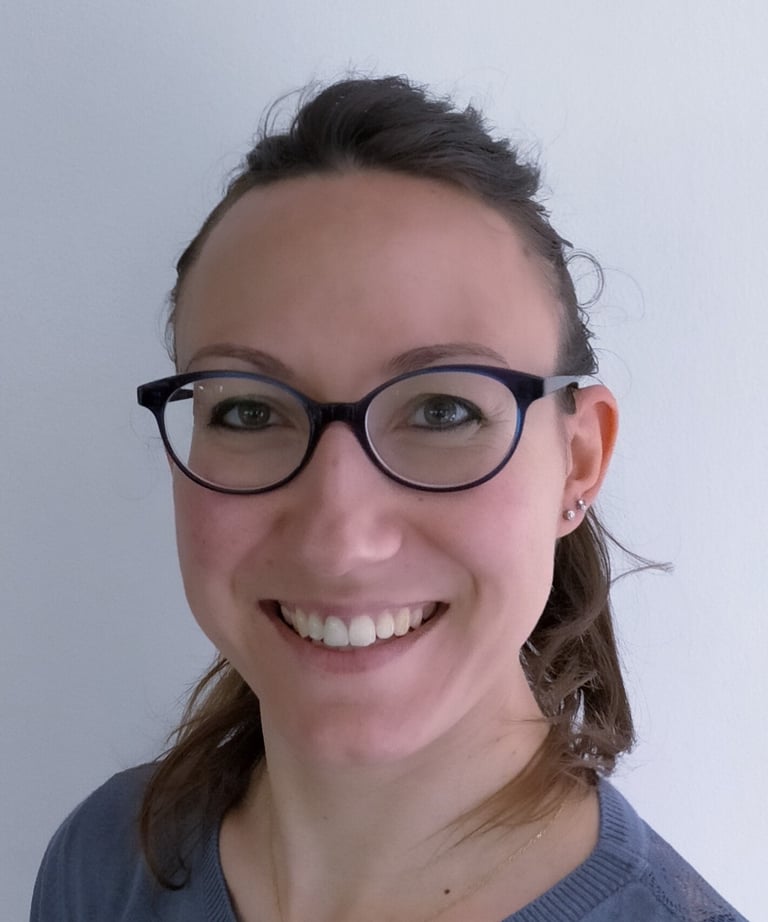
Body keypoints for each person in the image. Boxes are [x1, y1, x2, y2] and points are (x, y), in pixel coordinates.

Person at [30, 76, 748, 922]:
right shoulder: (107, 859)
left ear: (578, 462)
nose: (339, 539)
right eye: (250, 410)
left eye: (443, 411)